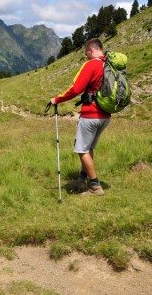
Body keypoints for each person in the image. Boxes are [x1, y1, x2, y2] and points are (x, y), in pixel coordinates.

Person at [49, 38, 111, 196]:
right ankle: (82, 179)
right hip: (105, 115)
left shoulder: (92, 64)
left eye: (86, 54)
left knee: (81, 150)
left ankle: (95, 186)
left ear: (91, 50)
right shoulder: (109, 64)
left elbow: (76, 89)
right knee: (88, 147)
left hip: (91, 114)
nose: (87, 56)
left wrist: (57, 99)